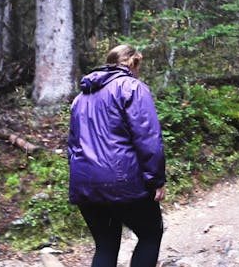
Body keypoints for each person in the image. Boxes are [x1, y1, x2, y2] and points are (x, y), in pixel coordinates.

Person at [68, 45, 166, 267]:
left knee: (105, 245)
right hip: (124, 183)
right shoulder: (133, 88)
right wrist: (156, 180)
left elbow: (73, 146)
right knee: (151, 234)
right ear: (133, 63)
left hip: (86, 186)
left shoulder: (81, 98)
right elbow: (148, 139)